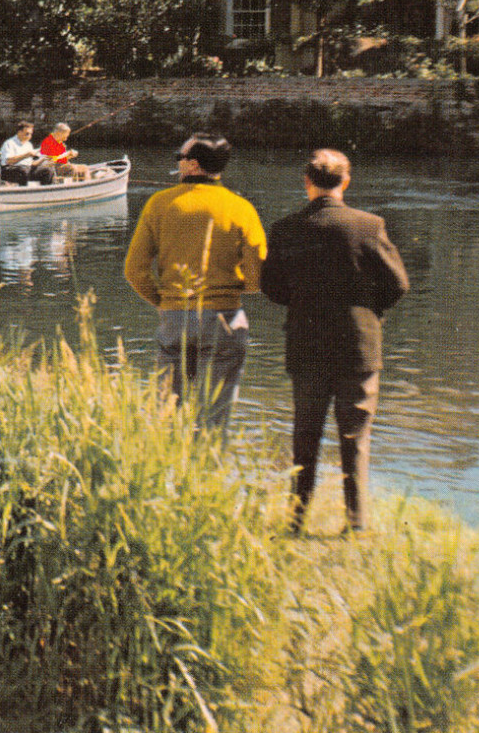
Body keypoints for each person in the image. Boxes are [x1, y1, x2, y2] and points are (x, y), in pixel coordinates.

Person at [261, 149, 409, 535]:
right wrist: (369, 312)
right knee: (355, 437)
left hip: (306, 343)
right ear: (346, 181)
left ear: (306, 181)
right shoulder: (369, 226)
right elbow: (398, 284)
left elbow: (272, 287)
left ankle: (295, 522)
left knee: (305, 434)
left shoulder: (284, 229)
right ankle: (355, 525)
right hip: (358, 346)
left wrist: (302, 302)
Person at [123, 133, 266, 433]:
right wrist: (235, 288)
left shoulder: (159, 204)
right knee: (215, 418)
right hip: (224, 318)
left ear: (192, 165)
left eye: (180, 157)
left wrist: (165, 301)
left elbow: (134, 270)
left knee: (167, 415)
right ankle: (208, 475)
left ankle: (169, 476)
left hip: (175, 317)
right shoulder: (241, 208)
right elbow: (258, 276)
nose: (177, 163)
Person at [0, 121, 55, 185]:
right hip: (9, 170)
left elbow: (31, 164)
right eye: (27, 134)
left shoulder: (28, 144)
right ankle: (24, 192)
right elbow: (8, 161)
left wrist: (43, 159)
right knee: (23, 171)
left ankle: (44, 192)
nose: (29, 136)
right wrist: (26, 155)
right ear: (19, 132)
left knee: (48, 171)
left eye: (31, 134)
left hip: (26, 169)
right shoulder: (9, 143)